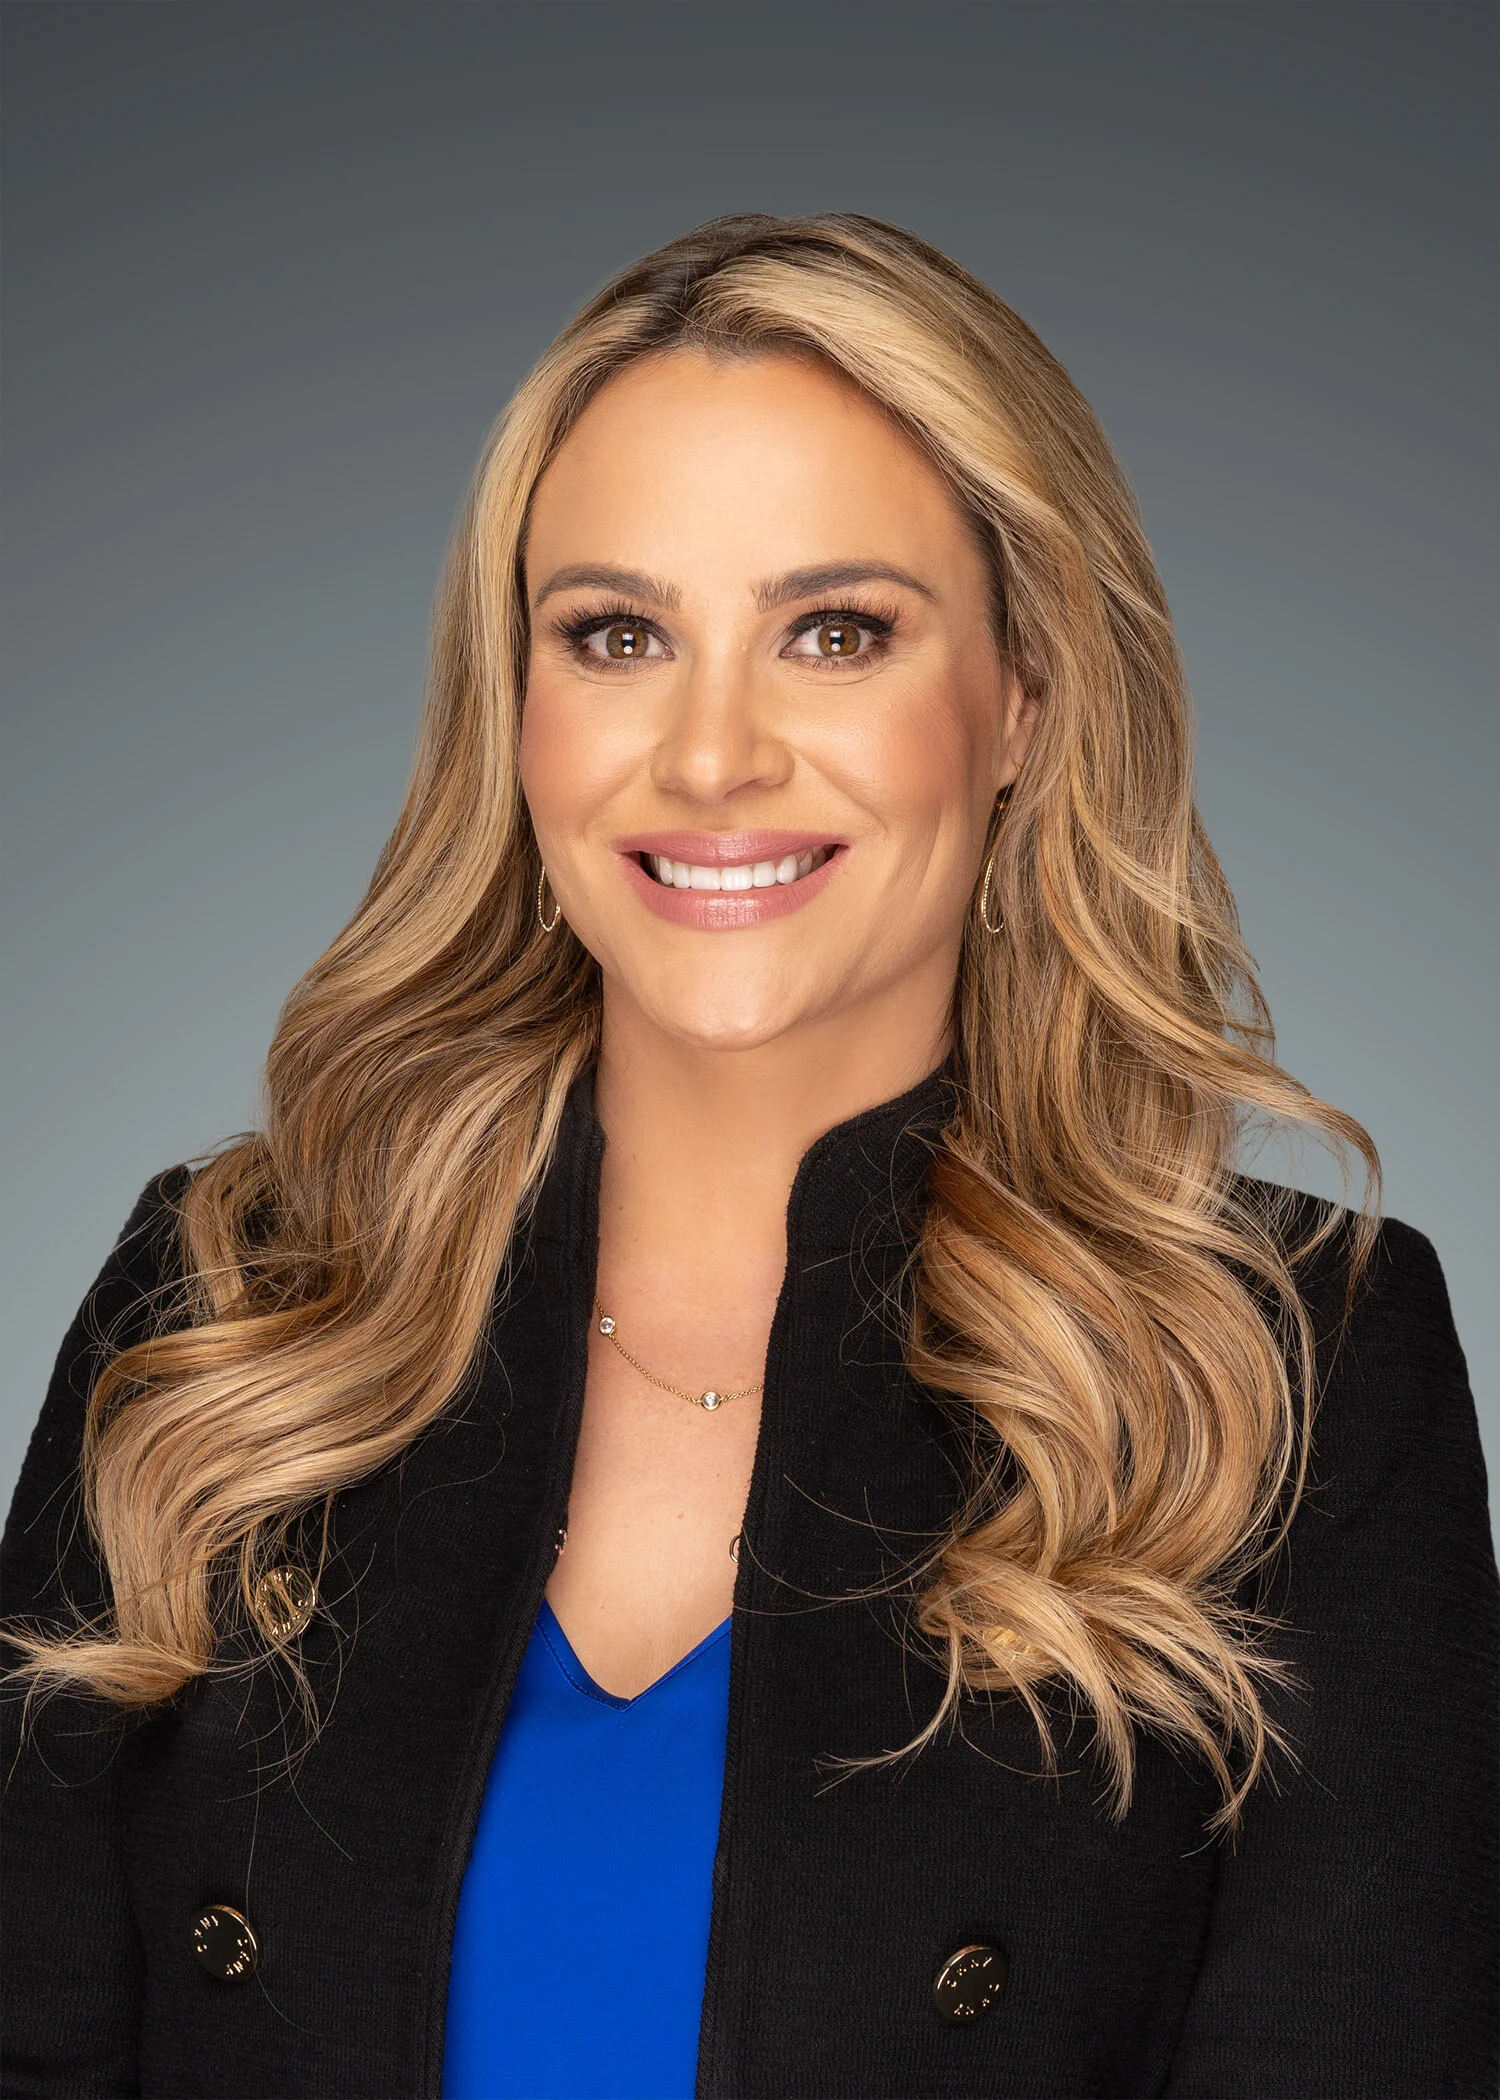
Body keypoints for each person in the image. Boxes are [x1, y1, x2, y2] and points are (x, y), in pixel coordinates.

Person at [3, 212, 1495, 2100]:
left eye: (836, 633)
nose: (712, 756)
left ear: (1024, 701)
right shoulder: (232, 1311)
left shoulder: (1289, 1370)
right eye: (617, 636)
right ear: (517, 711)